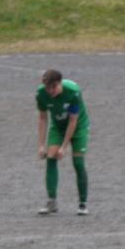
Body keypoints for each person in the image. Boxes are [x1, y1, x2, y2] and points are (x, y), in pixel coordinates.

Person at [35, 69, 89, 215]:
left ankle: (82, 203)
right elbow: (42, 118)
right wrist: (41, 145)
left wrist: (64, 147)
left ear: (60, 83)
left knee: (78, 163)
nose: (50, 91)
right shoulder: (41, 94)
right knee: (51, 158)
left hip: (78, 127)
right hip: (58, 127)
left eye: (53, 87)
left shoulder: (73, 92)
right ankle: (52, 202)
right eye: (47, 87)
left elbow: (73, 121)